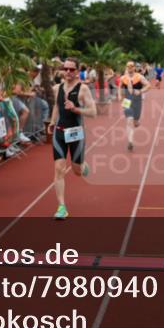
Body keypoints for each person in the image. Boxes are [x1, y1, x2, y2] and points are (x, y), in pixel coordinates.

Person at [48, 57, 96, 219]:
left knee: (76, 171)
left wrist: (76, 109)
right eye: (65, 69)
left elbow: (93, 112)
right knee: (59, 169)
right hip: (59, 133)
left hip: (76, 133)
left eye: (71, 69)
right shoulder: (57, 88)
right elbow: (56, 105)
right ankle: (62, 207)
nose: (68, 72)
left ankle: (82, 165)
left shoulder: (83, 89)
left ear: (77, 71)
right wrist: (52, 122)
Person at [118, 61, 151, 151]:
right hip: (127, 101)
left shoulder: (139, 77)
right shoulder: (123, 78)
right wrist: (120, 95)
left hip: (137, 101)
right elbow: (119, 87)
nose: (130, 68)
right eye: (128, 66)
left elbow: (148, 85)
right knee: (129, 121)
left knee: (135, 122)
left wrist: (140, 91)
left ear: (134, 68)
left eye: (131, 66)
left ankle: (136, 122)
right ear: (126, 67)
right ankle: (130, 142)